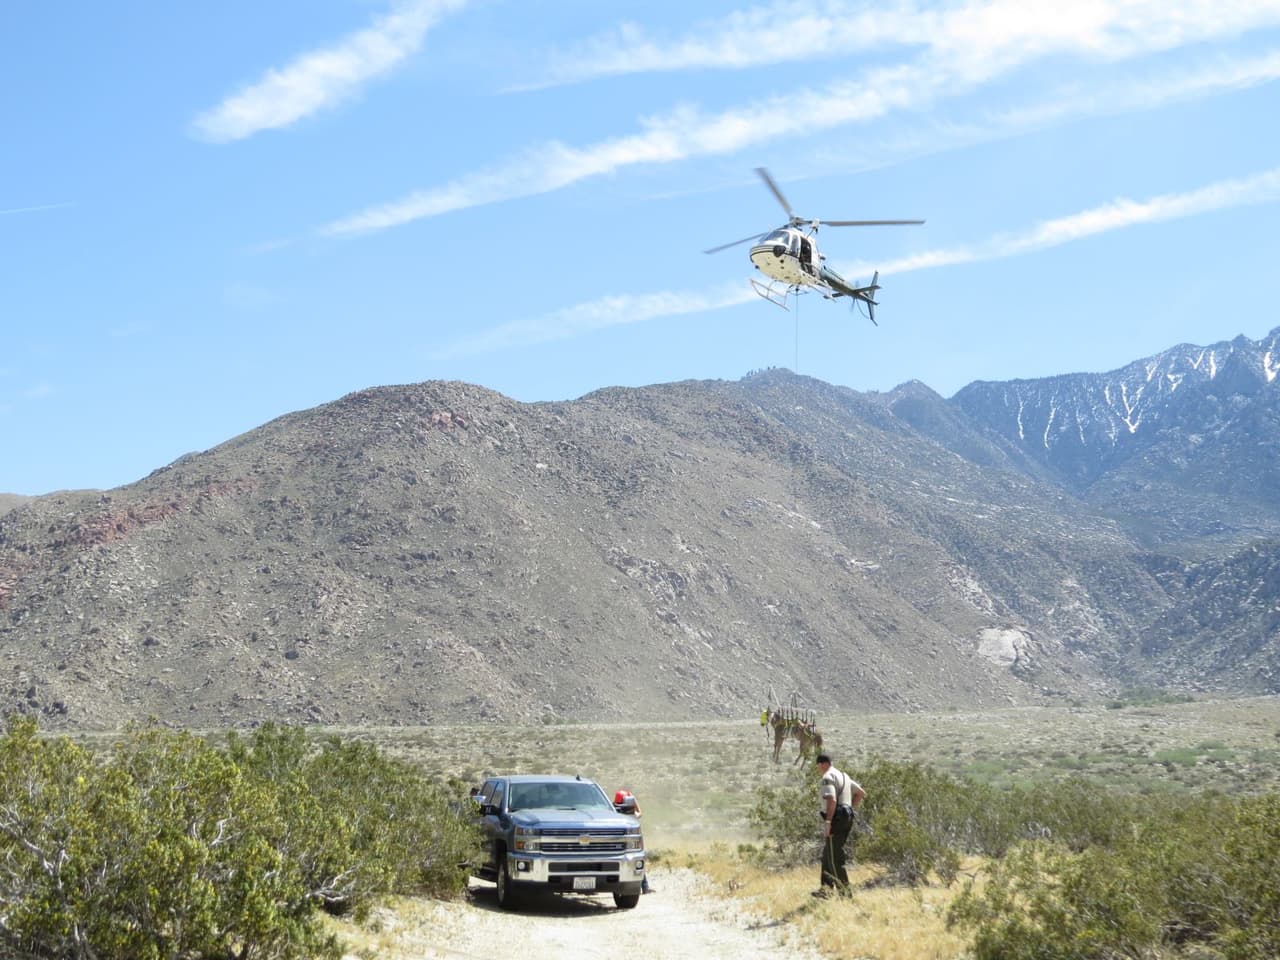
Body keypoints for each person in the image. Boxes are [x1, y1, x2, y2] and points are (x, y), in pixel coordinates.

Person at [813, 753, 865, 898]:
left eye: (818, 766)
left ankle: (845, 894)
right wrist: (849, 808)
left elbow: (832, 800)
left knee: (834, 858)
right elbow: (861, 793)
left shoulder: (828, 777)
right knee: (827, 855)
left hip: (836, 820)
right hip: (846, 818)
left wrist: (828, 822)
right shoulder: (844, 776)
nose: (818, 769)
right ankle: (826, 890)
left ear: (822, 764)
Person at [614, 789, 653, 894]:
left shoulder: (614, 813)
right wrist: (634, 799)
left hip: (620, 845)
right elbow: (640, 813)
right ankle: (645, 887)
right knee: (638, 864)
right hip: (632, 843)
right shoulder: (631, 814)